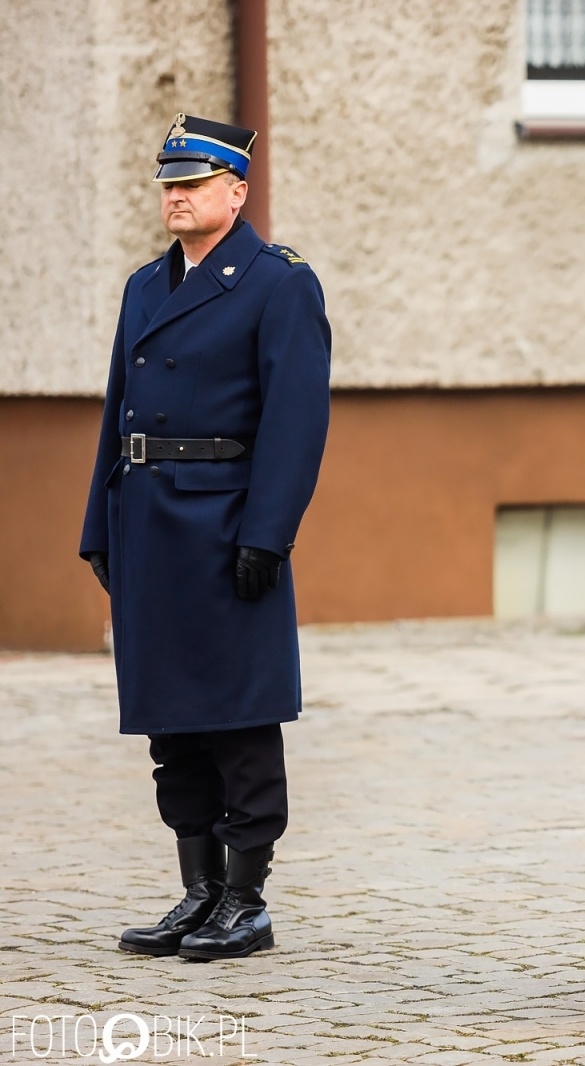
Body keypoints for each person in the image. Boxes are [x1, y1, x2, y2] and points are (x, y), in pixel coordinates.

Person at [79, 114, 331, 960]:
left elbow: (297, 419)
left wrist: (269, 531)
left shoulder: (276, 282)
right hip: (147, 518)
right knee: (170, 718)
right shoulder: (145, 286)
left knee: (238, 711)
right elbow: (117, 412)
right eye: (168, 185)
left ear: (237, 190)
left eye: (192, 183)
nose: (176, 197)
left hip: (226, 525)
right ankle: (199, 891)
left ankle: (248, 899)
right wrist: (98, 525)